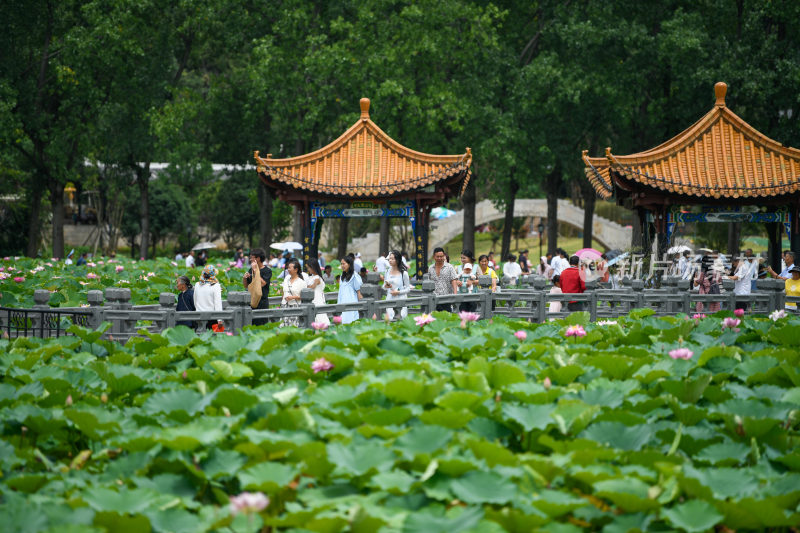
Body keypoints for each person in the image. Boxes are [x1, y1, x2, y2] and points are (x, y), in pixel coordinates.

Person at [243, 248, 272, 326]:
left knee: (262, 325)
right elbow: (246, 286)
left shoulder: (267, 271)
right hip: (252, 301)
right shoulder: (251, 270)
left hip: (262, 302)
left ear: (258, 258)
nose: (250, 259)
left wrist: (256, 270)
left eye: (252, 257)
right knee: (252, 324)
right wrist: (244, 278)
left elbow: (263, 284)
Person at [276, 258, 304, 327]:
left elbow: (304, 297)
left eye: (290, 268)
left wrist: (293, 297)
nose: (288, 269)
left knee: (293, 327)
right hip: (284, 305)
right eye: (288, 267)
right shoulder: (286, 278)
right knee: (282, 326)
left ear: (296, 270)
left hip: (294, 307)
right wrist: (281, 302)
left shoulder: (301, 282)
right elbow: (284, 291)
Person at [429, 247, 458, 312]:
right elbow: (429, 281)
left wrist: (455, 294)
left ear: (444, 256)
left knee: (447, 317)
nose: (439, 258)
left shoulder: (449, 267)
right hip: (435, 298)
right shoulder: (430, 268)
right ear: (434, 257)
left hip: (447, 297)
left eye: (441, 256)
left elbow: (454, 280)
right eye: (437, 256)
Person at [384, 250, 411, 320]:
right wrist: (386, 286)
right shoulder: (387, 271)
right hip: (390, 299)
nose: (390, 260)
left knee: (400, 320)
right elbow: (384, 287)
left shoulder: (403, 273)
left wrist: (398, 292)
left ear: (398, 260)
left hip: (401, 299)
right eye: (389, 258)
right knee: (391, 320)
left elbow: (408, 289)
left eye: (392, 259)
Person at [194, 265, 223, 330]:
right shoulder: (216, 286)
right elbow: (217, 304)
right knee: (211, 338)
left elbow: (195, 301)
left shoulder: (197, 285)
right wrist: (219, 319)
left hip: (198, 316)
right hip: (211, 317)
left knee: (199, 337)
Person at [338, 255, 363, 324]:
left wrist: (361, 304)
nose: (342, 265)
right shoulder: (342, 276)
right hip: (342, 301)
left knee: (351, 321)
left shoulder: (354, 276)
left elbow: (358, 291)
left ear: (349, 264)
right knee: (343, 322)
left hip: (351, 302)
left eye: (344, 264)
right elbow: (340, 291)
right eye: (341, 264)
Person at [305, 259, 329, 326]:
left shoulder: (317, 278)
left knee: (319, 316)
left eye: (309, 267)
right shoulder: (311, 277)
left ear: (313, 267)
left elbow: (312, 287)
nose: (308, 269)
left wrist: (304, 287)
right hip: (314, 298)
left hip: (316, 299)